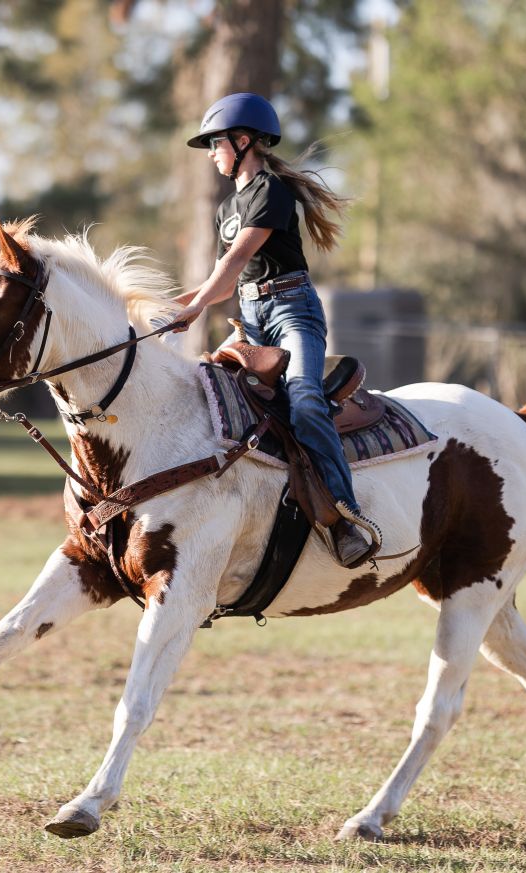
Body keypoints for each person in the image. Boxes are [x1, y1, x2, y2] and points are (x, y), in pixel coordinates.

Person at [169, 92, 377, 568]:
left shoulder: (270, 192)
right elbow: (228, 277)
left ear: (243, 141)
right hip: (250, 315)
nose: (212, 153)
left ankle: (346, 519)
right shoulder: (227, 209)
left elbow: (239, 259)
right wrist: (179, 302)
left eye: (216, 143)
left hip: (291, 313)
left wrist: (198, 305)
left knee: (304, 401)